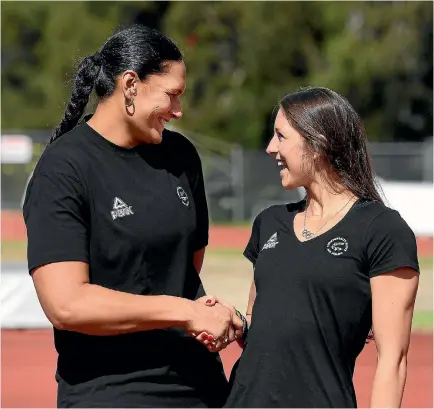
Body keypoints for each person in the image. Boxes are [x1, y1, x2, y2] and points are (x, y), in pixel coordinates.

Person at [22, 24, 243, 408]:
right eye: (171, 96)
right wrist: (183, 312)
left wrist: (205, 315)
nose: (178, 111)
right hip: (110, 390)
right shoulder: (64, 168)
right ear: (130, 85)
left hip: (198, 385)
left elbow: (186, 269)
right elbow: (67, 304)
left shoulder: (181, 157)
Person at [217, 87, 420, 408]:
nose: (270, 148)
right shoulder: (269, 223)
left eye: (281, 137)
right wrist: (237, 322)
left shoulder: (382, 230)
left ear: (319, 144)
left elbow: (392, 361)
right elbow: (262, 327)